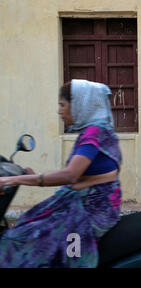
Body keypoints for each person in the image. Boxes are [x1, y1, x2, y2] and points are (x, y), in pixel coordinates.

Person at [0, 79, 122, 267]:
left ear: (79, 105)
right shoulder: (99, 131)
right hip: (90, 203)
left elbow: (70, 175)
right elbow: (79, 175)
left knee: (16, 240)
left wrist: (15, 179)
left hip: (91, 211)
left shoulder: (93, 133)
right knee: (25, 224)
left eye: (62, 105)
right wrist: (31, 175)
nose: (59, 111)